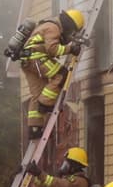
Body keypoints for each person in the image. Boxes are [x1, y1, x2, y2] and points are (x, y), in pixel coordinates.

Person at [19, 9, 86, 141]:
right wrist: (71, 48)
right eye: (72, 30)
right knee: (61, 74)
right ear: (69, 24)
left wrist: (68, 44)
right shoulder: (53, 27)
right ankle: (45, 103)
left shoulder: (47, 25)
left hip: (27, 61)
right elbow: (52, 49)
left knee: (37, 94)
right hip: (37, 59)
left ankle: (35, 128)